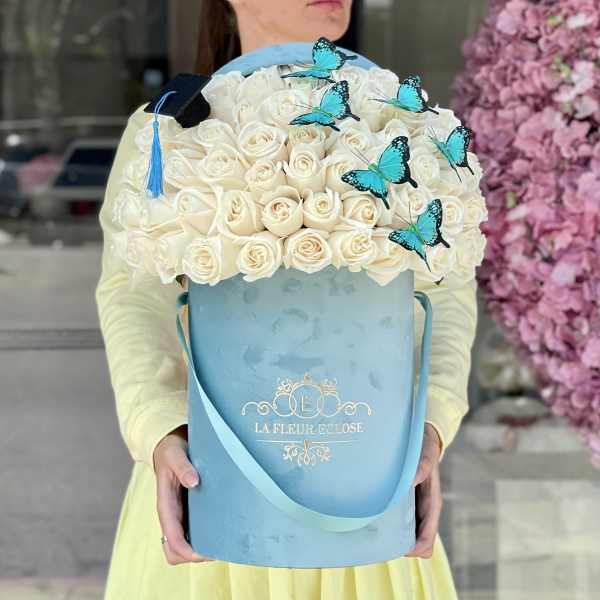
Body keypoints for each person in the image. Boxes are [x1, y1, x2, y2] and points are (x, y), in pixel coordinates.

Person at [96, 0, 478, 598]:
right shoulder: (167, 125)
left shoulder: (400, 121)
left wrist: (433, 424)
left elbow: (446, 284)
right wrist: (160, 428)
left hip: (367, 484)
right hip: (212, 481)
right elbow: (133, 293)